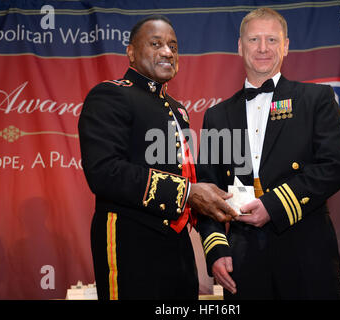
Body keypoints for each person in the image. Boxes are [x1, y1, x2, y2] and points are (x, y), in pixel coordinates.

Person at [78, 14, 237, 300]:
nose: (167, 51)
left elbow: (189, 176)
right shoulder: (109, 95)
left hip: (178, 249)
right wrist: (188, 193)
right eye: (156, 43)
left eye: (174, 46)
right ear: (131, 52)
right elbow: (104, 173)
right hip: (131, 245)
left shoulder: (178, 110)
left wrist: (215, 237)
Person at [197, 8, 340, 299]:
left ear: (286, 45)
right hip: (243, 262)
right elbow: (207, 190)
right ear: (240, 46)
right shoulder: (217, 116)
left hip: (307, 253)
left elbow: (335, 167)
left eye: (271, 39)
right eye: (254, 39)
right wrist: (216, 248)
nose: (263, 48)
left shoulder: (316, 99)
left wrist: (274, 205)